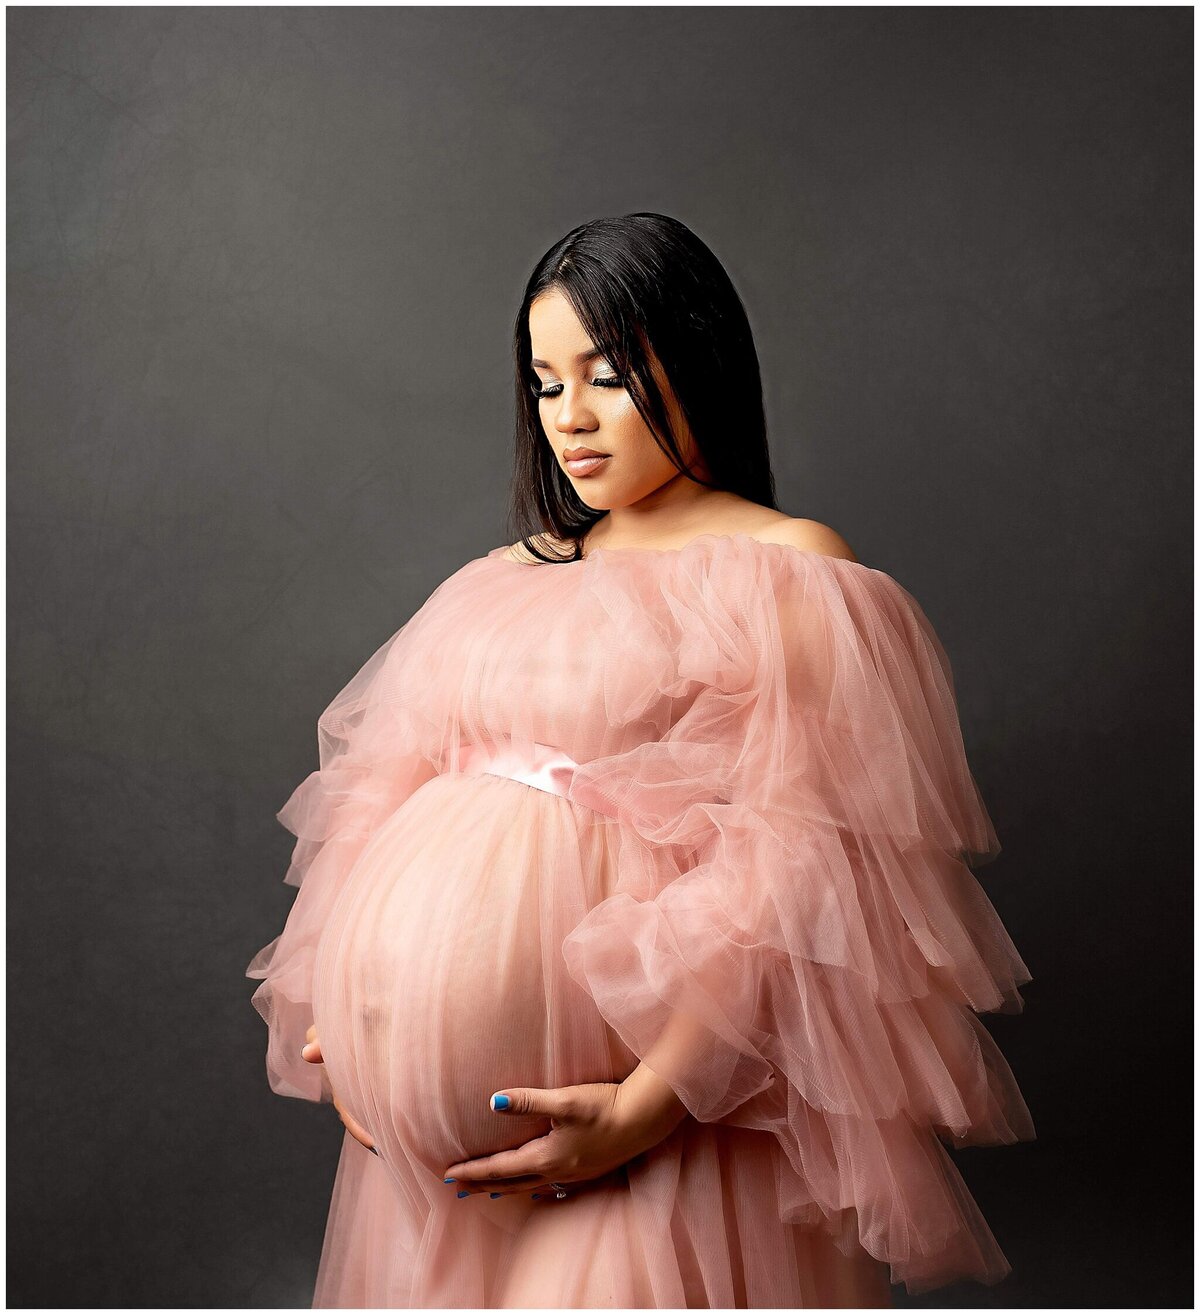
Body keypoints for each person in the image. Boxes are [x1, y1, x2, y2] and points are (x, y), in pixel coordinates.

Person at [246, 213, 1035, 1308]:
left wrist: (652, 1101)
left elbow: (800, 878)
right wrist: (358, 1001)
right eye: (543, 383)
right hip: (415, 1166)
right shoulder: (498, 580)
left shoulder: (789, 574)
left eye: (606, 376)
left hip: (659, 1127)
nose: (568, 417)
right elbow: (380, 790)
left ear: (696, 356)